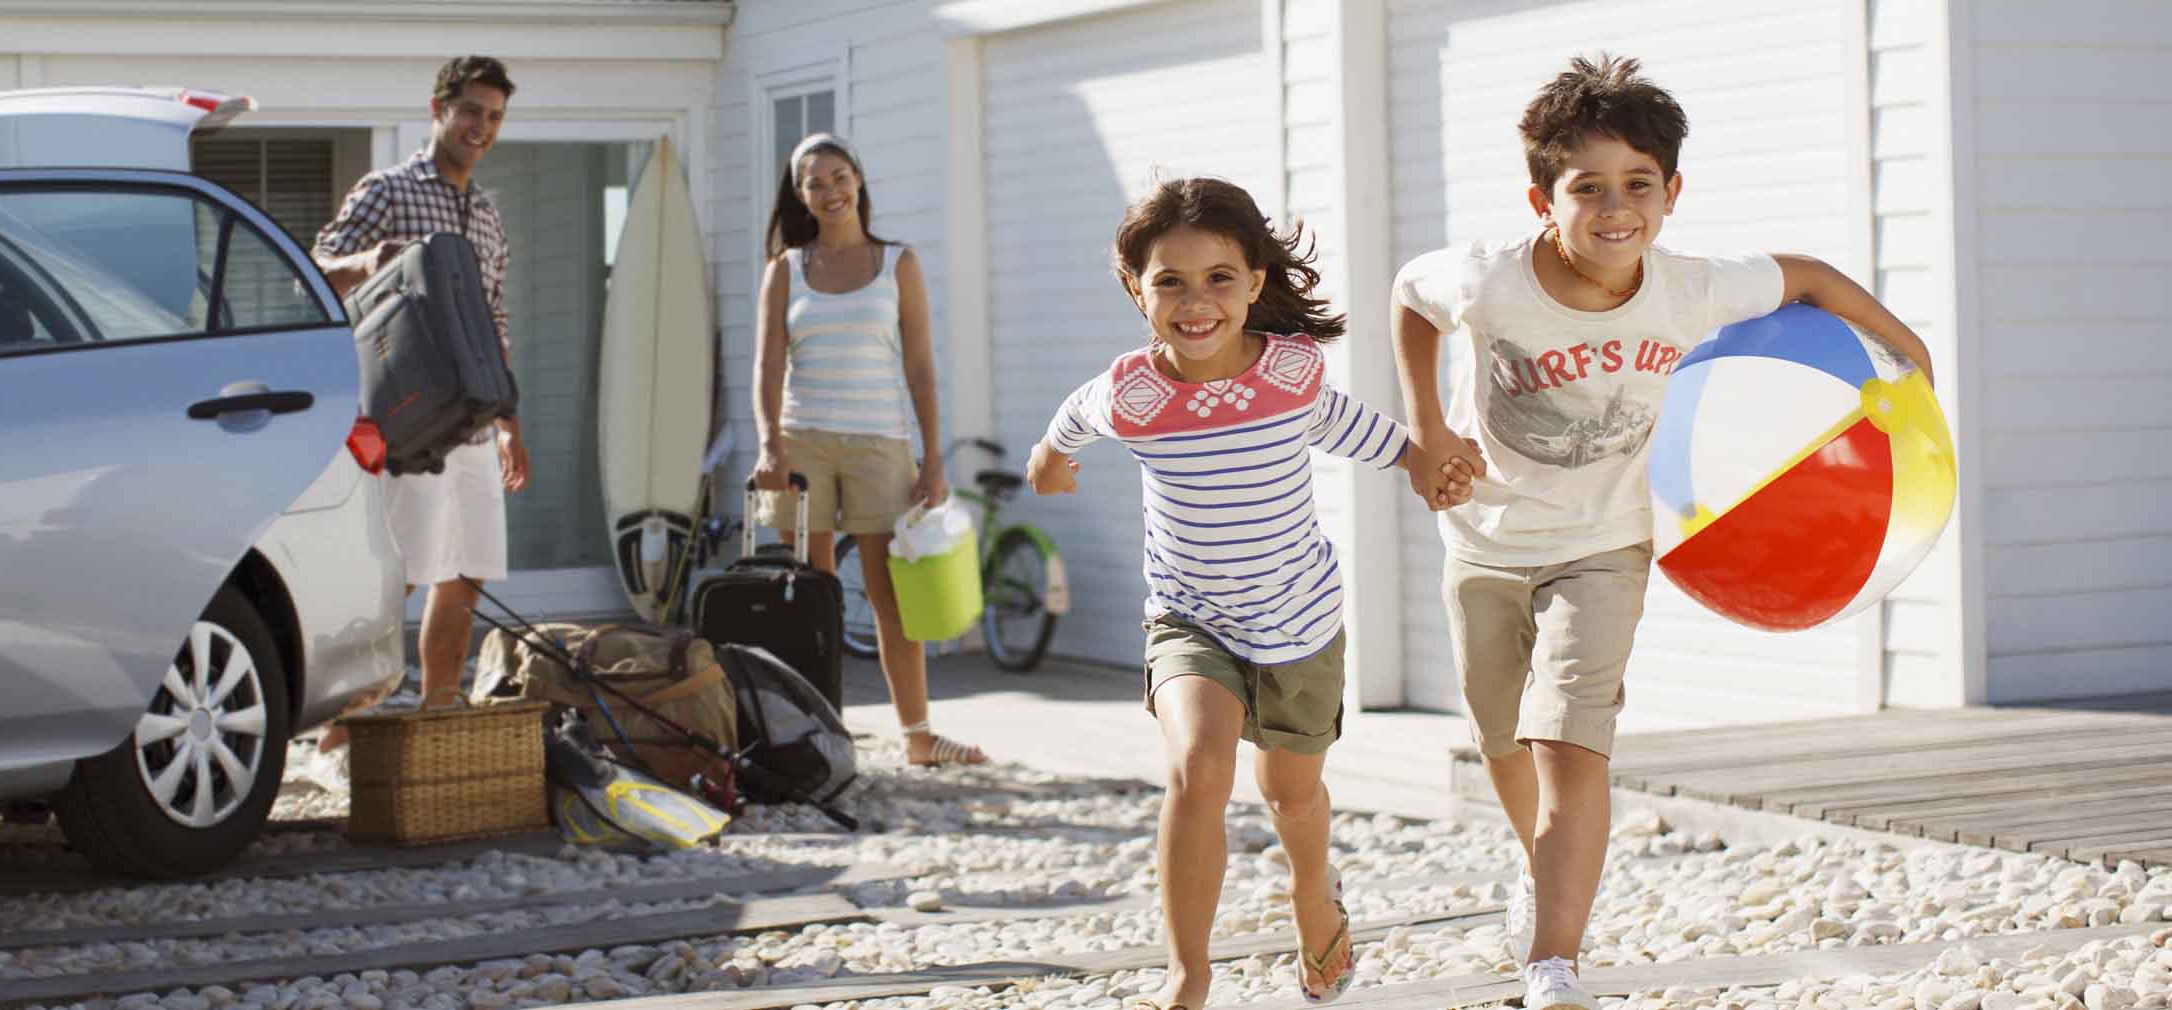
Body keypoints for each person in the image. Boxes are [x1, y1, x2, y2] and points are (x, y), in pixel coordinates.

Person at [1389, 55, 1936, 1010]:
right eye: (1587, 187)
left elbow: (1808, 276)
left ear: (1672, 192)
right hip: (1484, 543)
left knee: (1568, 737)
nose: (1615, 208)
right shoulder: (1485, 278)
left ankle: (1553, 962)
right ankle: (1539, 871)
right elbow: (1408, 296)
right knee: (1501, 738)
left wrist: (1907, 349)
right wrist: (1430, 427)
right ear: (1541, 199)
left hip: (1607, 545)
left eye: (1639, 184)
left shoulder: (1693, 287)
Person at [1025, 177, 1474, 1010]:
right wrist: (1049, 464)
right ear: (1136, 289)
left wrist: (1427, 462)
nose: (1196, 302)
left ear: (1256, 281)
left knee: (1290, 795)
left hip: (1300, 619)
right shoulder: (1135, 393)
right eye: (1169, 281)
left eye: (1218, 278)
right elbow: (1069, 425)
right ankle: (1188, 978)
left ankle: (1314, 895)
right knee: (1199, 768)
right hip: (1190, 619)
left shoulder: (1290, 376)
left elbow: (1361, 432)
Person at [312, 55, 530, 749]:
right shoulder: (389, 189)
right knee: (398, 576)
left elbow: (496, 320)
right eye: (470, 111)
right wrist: (370, 261)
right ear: (438, 108)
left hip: (473, 422)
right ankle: (340, 726)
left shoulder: (490, 218)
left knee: (466, 571)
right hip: (408, 419)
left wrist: (509, 422)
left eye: (493, 116)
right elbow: (315, 269)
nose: (481, 128)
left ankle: (440, 713)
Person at [751, 132, 983, 769]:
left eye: (839, 175)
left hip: (881, 443)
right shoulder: (786, 269)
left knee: (890, 597)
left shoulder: (897, 263)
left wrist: (933, 456)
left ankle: (918, 735)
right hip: (802, 446)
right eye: (815, 182)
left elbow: (920, 366)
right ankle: (822, 730)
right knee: (811, 596)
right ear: (800, 196)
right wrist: (770, 445)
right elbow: (768, 366)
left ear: (859, 180)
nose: (830, 191)